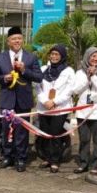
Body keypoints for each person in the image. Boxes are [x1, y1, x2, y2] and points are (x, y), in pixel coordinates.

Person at [0, 26, 43, 172]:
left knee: (22, 131)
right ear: (8, 41)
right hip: (7, 99)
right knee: (6, 129)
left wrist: (25, 70)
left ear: (23, 40)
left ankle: (21, 159)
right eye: (14, 39)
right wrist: (4, 78)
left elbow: (39, 77)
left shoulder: (30, 57)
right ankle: (7, 156)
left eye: (19, 38)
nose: (17, 41)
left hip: (23, 100)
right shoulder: (0, 57)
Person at [35, 45, 75, 173]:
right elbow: (37, 87)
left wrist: (54, 101)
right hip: (44, 107)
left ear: (62, 56)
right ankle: (47, 157)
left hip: (60, 108)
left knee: (55, 134)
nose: (54, 56)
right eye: (52, 54)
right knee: (45, 134)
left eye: (57, 54)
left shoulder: (69, 71)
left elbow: (69, 90)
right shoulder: (43, 69)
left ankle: (55, 160)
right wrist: (45, 101)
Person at [73, 47, 97, 174]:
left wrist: (93, 76)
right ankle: (83, 163)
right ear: (87, 57)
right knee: (84, 139)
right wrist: (87, 77)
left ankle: (95, 165)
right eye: (93, 56)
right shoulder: (79, 72)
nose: (96, 59)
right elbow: (76, 90)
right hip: (82, 111)